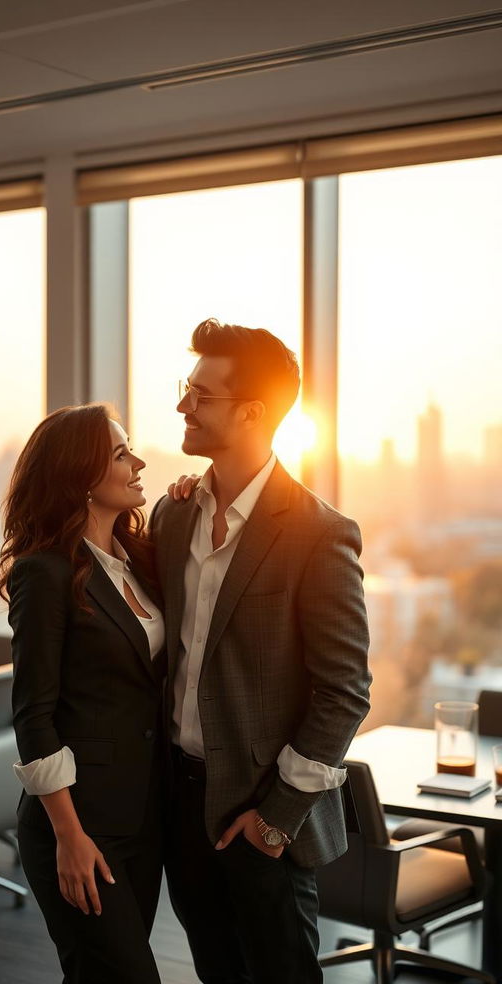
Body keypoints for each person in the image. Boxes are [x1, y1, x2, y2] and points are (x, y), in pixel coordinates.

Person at [151, 318, 371, 984]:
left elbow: (344, 693)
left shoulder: (319, 533)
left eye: (200, 394)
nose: (182, 405)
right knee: (215, 968)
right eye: (185, 389)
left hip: (264, 817)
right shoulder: (174, 513)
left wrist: (274, 820)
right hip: (180, 802)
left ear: (250, 412)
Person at [0, 404, 165, 984]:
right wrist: (69, 837)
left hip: (141, 818)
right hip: (78, 826)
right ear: (81, 476)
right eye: (121, 454)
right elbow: (33, 718)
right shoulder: (43, 573)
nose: (139, 462)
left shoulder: (138, 561)